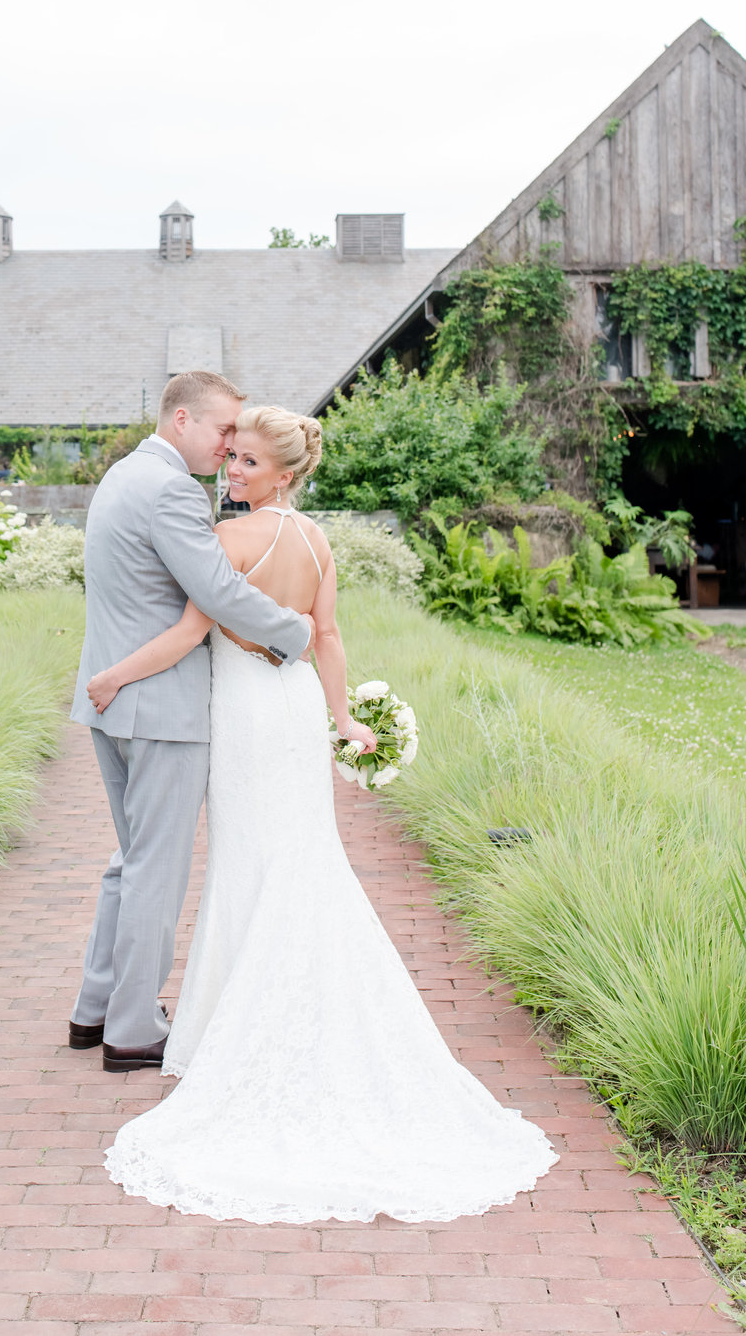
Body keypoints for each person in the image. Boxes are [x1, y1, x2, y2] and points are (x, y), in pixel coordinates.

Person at [85, 404, 558, 1224]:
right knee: (302, 857)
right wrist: (341, 720)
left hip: (241, 715)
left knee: (247, 865)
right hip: (297, 713)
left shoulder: (231, 540)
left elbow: (191, 634)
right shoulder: (316, 542)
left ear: (284, 474)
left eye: (247, 466)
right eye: (230, 460)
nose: (231, 474)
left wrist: (113, 677)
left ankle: (231, 1023)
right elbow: (327, 638)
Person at [69, 371, 335, 1073]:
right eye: (223, 433)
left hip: (113, 699)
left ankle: (93, 1008)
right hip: (163, 706)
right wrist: (296, 634)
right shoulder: (172, 492)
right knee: (156, 867)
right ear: (182, 419)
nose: (227, 450)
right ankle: (130, 1027)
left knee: (130, 860)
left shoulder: (124, 475)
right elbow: (216, 592)